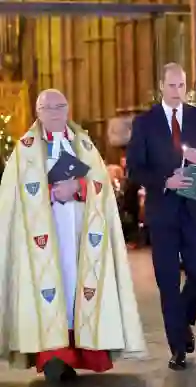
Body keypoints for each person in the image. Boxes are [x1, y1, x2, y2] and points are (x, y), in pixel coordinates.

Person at [0, 89, 146, 382]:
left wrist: (77, 189)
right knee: (50, 295)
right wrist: (50, 193)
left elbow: (102, 189)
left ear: (67, 110)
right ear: (37, 112)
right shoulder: (25, 150)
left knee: (77, 293)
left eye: (59, 107)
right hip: (40, 242)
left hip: (80, 238)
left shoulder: (84, 146)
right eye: (47, 107)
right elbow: (11, 198)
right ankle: (53, 358)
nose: (54, 112)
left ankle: (79, 354)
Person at [126, 62, 196, 370]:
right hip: (162, 211)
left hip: (193, 209)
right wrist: (164, 180)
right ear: (161, 87)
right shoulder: (145, 123)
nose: (177, 92)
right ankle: (177, 347)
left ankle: (183, 322)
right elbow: (135, 169)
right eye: (171, 86)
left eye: (182, 86)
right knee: (167, 280)